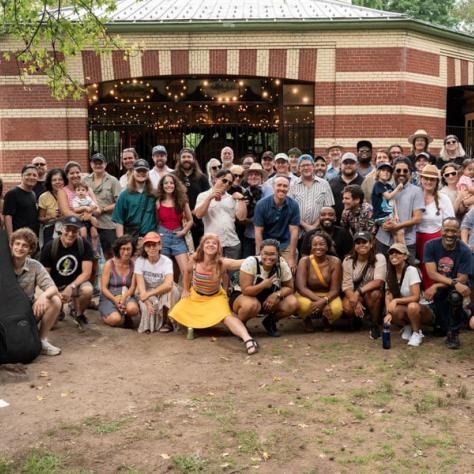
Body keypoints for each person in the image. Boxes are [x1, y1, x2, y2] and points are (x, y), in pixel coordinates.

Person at [169, 234, 258, 355]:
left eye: (214, 243)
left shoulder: (222, 263)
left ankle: (247, 339)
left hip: (215, 296)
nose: (210, 245)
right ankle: (194, 325)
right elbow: (187, 272)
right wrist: (185, 289)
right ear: (202, 246)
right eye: (207, 242)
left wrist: (259, 257)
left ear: (218, 248)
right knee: (176, 311)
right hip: (196, 295)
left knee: (227, 317)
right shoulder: (195, 258)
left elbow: (240, 262)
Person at [10, 228, 62, 355]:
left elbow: (53, 288)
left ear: (30, 249)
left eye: (24, 246)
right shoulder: (3, 262)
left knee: (55, 300)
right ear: (11, 245)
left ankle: (41, 340)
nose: (20, 248)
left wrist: (43, 296)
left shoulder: (35, 265)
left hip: (27, 312)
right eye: (17, 244)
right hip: (5, 313)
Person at [232, 239, 298, 337]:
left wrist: (276, 295)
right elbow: (245, 291)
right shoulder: (251, 262)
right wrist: (263, 285)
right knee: (251, 305)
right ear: (260, 253)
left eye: (272, 254)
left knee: (293, 303)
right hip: (244, 296)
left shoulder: (281, 264)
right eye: (265, 253)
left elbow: (290, 287)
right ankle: (240, 326)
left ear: (278, 254)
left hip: (267, 298)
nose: (268, 257)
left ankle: (270, 322)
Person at [424, 217, 472, 349]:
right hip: (443, 286)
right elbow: (432, 273)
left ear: (458, 232)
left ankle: (453, 333)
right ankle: (451, 321)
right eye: (447, 230)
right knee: (439, 320)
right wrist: (442, 284)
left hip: (457, 288)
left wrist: (436, 285)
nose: (450, 234)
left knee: (455, 296)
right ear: (441, 230)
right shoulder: (430, 245)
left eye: (454, 231)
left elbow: (462, 279)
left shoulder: (465, 251)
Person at [40, 216, 94, 331]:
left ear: (78, 232)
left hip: (75, 284)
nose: (70, 233)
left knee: (88, 290)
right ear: (61, 229)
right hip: (55, 286)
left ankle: (78, 314)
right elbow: (45, 276)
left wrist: (71, 286)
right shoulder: (50, 246)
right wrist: (54, 292)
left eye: (74, 230)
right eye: (67, 229)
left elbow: (86, 273)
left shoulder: (84, 245)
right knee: (51, 325)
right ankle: (58, 309)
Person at [383, 243, 433, 347]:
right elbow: (388, 295)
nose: (394, 255)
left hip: (423, 309)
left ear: (405, 256)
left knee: (412, 306)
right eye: (391, 253)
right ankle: (408, 326)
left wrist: (396, 301)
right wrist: (388, 312)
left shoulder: (412, 270)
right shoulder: (390, 272)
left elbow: (416, 297)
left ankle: (417, 332)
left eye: (398, 253)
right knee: (393, 310)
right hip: (406, 308)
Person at [375, 157, 424, 259]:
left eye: (405, 170)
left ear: (410, 173)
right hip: (383, 240)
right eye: (398, 170)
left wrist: (397, 226)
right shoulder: (384, 188)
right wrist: (382, 222)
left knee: (407, 272)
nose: (401, 173)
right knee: (383, 272)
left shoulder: (416, 191)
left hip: (406, 241)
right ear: (393, 172)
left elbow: (418, 218)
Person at [342, 231, 386, 339]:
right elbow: (346, 285)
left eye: (364, 242)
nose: (361, 245)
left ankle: (375, 324)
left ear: (371, 244)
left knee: (375, 294)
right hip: (356, 292)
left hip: (371, 292)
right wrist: (354, 298)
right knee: (348, 307)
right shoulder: (348, 260)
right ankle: (358, 318)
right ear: (354, 246)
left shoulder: (379, 258)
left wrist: (358, 292)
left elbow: (379, 281)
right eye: (358, 242)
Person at [416, 164, 455, 288]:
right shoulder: (414, 196)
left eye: (432, 179)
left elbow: (450, 221)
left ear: (437, 181)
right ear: (421, 179)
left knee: (436, 272)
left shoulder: (444, 199)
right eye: (426, 178)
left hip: (437, 240)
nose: (428, 181)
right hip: (415, 240)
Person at [296, 231, 343, 332]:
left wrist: (325, 300)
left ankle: (327, 320)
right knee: (303, 305)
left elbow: (335, 290)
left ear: (327, 247)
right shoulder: (304, 261)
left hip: (328, 294)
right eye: (315, 244)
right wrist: (321, 302)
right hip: (307, 294)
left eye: (322, 244)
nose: (318, 247)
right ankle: (306, 320)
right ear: (311, 247)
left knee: (336, 309)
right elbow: (301, 288)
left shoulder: (335, 262)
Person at [194, 169, 245, 260]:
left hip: (232, 243)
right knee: (212, 273)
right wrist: (209, 198)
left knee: (231, 273)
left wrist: (241, 200)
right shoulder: (203, 195)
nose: (226, 184)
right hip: (212, 244)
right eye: (224, 180)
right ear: (215, 179)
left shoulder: (231, 198)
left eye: (229, 183)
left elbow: (241, 217)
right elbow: (198, 215)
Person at [254, 175, 300, 272]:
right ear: (273, 187)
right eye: (279, 185)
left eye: (285, 186)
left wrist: (291, 258)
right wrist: (259, 253)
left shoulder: (294, 205)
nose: (282, 188)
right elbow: (258, 231)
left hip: (285, 243)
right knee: (263, 271)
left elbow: (294, 232)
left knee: (289, 270)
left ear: (288, 188)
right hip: (266, 243)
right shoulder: (261, 205)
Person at [134, 232, 178, 333]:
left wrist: (150, 293)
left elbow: (168, 284)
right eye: (148, 245)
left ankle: (169, 321)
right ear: (144, 248)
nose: (152, 248)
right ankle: (153, 320)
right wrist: (147, 301)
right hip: (147, 291)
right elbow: (140, 287)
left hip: (162, 290)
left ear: (160, 246)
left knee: (173, 290)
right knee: (150, 323)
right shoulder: (140, 261)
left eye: (154, 245)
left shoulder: (166, 261)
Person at [83, 152, 121, 259]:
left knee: (110, 254)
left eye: (101, 163)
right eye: (95, 163)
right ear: (91, 165)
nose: (98, 165)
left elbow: (119, 202)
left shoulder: (113, 181)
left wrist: (103, 209)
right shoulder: (85, 181)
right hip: (89, 223)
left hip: (108, 224)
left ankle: (111, 275)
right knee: (91, 255)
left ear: (105, 164)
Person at [288, 154, 335, 241]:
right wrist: (306, 226)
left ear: (313, 167)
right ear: (298, 168)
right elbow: (290, 210)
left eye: (308, 165)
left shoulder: (324, 184)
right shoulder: (292, 185)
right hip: (298, 232)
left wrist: (314, 226)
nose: (306, 168)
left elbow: (328, 208)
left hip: (319, 232)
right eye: (303, 165)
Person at [156, 173, 193, 277]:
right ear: (162, 186)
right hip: (163, 237)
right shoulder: (158, 201)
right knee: (163, 272)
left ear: (175, 185)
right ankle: (167, 293)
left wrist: (184, 231)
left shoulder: (182, 201)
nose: (169, 185)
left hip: (178, 236)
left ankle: (186, 291)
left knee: (186, 271)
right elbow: (156, 221)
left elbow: (190, 220)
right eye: (166, 183)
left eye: (171, 183)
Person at [99, 235, 140, 328]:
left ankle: (125, 314)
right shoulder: (109, 264)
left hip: (127, 295)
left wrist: (124, 298)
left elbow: (133, 287)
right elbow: (103, 288)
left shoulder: (134, 265)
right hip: (110, 296)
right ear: (118, 249)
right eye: (123, 249)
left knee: (133, 309)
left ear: (132, 250)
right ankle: (107, 313)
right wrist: (115, 300)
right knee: (115, 320)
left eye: (129, 249)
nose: (126, 252)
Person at [173, 147, 210, 247]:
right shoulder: (172, 176)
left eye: (189, 157)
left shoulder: (202, 178)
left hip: (198, 224)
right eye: (183, 157)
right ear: (179, 160)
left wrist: (193, 212)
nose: (186, 159)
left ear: (194, 159)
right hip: (177, 222)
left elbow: (208, 198)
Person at [112, 159, 157, 240]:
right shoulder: (124, 195)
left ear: (148, 173)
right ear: (133, 172)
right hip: (130, 238)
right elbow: (119, 221)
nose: (141, 173)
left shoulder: (154, 194)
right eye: (138, 171)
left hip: (150, 239)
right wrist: (123, 242)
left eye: (144, 171)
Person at [3, 164, 40, 238]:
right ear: (22, 176)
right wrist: (11, 238)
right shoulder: (12, 193)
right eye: (28, 174)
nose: (32, 177)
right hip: (19, 238)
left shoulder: (33, 194)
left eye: (34, 175)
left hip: (32, 237)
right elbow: (8, 217)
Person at [371, 163, 404, 243]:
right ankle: (404, 253)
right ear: (378, 172)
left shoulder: (389, 186)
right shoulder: (378, 185)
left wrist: (396, 214)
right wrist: (398, 188)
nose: (386, 172)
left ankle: (398, 252)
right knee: (399, 232)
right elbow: (388, 196)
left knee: (396, 235)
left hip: (389, 215)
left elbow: (393, 200)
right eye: (383, 170)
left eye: (388, 171)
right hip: (381, 217)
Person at [329, 152, 364, 224]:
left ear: (357, 165)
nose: (348, 165)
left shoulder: (364, 182)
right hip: (336, 226)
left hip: (359, 226)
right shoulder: (332, 183)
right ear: (340, 165)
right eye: (345, 163)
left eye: (351, 163)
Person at [241, 163, 266, 258]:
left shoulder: (268, 191)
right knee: (247, 263)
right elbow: (241, 217)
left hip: (265, 235)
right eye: (251, 174)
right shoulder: (244, 192)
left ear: (261, 177)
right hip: (249, 234)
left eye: (256, 174)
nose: (253, 177)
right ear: (247, 178)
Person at [38, 168, 66, 245]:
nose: (57, 182)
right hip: (49, 231)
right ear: (50, 182)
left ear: (65, 181)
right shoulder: (44, 197)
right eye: (54, 180)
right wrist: (51, 217)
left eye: (60, 179)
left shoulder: (69, 194)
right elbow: (40, 219)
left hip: (67, 229)